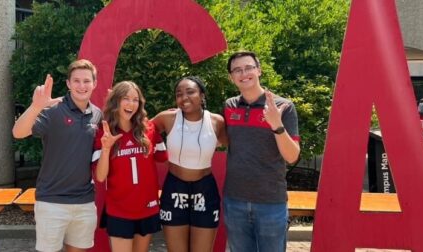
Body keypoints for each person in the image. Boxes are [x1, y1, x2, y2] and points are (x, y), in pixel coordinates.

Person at [12, 59, 102, 252]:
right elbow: (18, 132)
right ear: (68, 84)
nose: (82, 86)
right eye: (76, 81)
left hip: (84, 202)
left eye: (86, 81)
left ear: (94, 84)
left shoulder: (97, 115)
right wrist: (36, 107)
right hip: (51, 202)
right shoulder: (53, 110)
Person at [223, 51, 300, 252]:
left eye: (248, 67)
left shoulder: (283, 106)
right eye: (237, 70)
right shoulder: (230, 106)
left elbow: (292, 156)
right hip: (234, 201)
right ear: (232, 77)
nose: (244, 73)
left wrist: (276, 125)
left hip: (271, 203)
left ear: (259, 70)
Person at [151, 76, 228, 252]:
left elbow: (237, 146)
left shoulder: (217, 122)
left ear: (202, 95)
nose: (184, 97)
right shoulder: (167, 118)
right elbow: (140, 130)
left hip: (205, 190)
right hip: (175, 188)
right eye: (179, 94)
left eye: (190, 92)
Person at [93, 81, 168, 252]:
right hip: (119, 209)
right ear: (116, 101)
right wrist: (106, 149)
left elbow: (163, 157)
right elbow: (100, 176)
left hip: (146, 207)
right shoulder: (104, 132)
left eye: (135, 100)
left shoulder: (148, 128)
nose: (131, 104)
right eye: (125, 98)